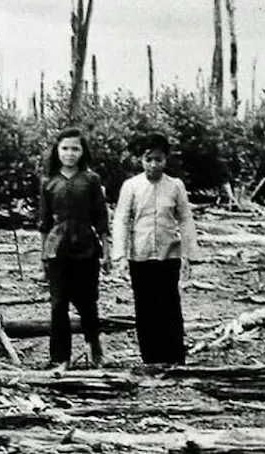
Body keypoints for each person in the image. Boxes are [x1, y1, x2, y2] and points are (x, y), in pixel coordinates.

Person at [111, 132, 198, 365]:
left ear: (165, 160)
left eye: (158, 159)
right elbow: (121, 220)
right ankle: (150, 357)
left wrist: (189, 255)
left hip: (168, 255)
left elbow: (186, 219)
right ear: (141, 160)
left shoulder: (175, 186)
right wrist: (119, 256)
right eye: (148, 159)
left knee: (169, 305)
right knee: (145, 306)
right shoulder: (131, 186)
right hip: (140, 256)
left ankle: (174, 356)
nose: (153, 164)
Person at [39, 128, 109, 370]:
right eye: (65, 148)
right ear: (57, 151)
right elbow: (44, 223)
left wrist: (106, 251)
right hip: (57, 249)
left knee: (87, 300)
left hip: (86, 246)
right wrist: (43, 256)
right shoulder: (49, 182)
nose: (70, 154)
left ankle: (94, 345)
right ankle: (60, 357)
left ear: (83, 152)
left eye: (75, 149)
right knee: (58, 304)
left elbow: (101, 218)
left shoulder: (91, 180)